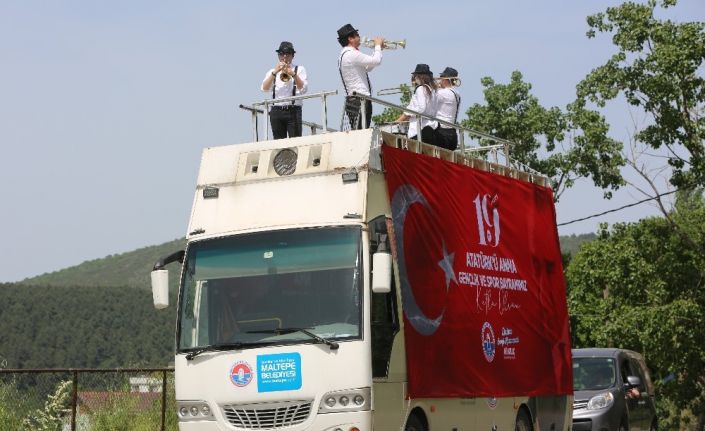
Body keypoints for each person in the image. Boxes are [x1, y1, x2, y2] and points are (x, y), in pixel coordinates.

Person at [337, 23, 383, 130]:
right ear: (350, 39)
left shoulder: (346, 54)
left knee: (359, 130)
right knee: (361, 131)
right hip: (360, 100)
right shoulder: (351, 53)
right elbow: (376, 61)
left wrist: (379, 50)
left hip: (355, 99)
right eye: (357, 35)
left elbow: (368, 67)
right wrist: (377, 46)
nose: (359, 38)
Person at [261, 41, 308, 139]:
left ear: (292, 55)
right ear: (278, 55)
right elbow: (264, 88)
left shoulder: (299, 69)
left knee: (295, 143)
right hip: (276, 111)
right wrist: (275, 72)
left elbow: (303, 89)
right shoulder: (272, 71)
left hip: (293, 109)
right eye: (281, 54)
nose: (285, 56)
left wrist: (293, 74)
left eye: (288, 54)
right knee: (278, 144)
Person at [395, 64, 438, 145]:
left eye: (415, 76)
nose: (414, 78)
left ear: (419, 76)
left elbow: (421, 108)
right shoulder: (433, 91)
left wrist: (407, 113)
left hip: (419, 130)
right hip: (431, 128)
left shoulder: (421, 89)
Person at [434, 67, 461, 150]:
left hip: (442, 132)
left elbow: (427, 98)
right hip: (453, 134)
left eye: (442, 78)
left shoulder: (442, 92)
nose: (440, 80)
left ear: (446, 80)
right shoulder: (457, 94)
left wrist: (432, 86)